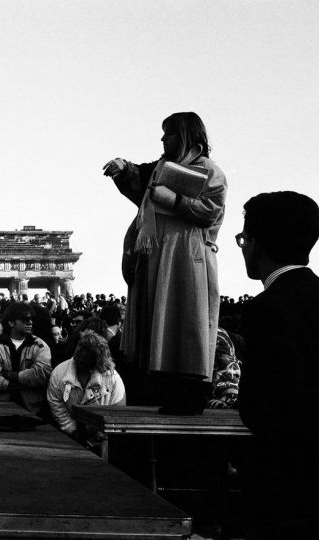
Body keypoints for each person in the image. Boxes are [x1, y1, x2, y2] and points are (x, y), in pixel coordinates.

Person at [103, 112, 227, 411]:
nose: (162, 139)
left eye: (168, 134)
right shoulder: (161, 169)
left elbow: (211, 210)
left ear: (184, 135)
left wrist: (173, 200)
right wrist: (124, 167)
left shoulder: (209, 170)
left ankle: (186, 395)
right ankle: (162, 391)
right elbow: (139, 181)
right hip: (157, 256)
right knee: (159, 325)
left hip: (187, 258)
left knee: (185, 323)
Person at [236, 191, 319, 538]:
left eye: (243, 238)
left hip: (283, 480)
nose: (242, 247)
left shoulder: (265, 309)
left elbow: (257, 407)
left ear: (256, 243)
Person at [0, 302, 52, 418]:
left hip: (33, 412)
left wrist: (7, 375)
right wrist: (22, 384)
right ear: (11, 322)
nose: (30, 322)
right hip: (2, 411)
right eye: (25, 319)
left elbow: (41, 374)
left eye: (31, 319)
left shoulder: (40, 345)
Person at [46, 330, 126, 436]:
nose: (80, 352)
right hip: (71, 435)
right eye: (80, 346)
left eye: (86, 350)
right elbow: (56, 403)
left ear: (96, 357)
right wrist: (71, 429)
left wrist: (105, 433)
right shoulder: (59, 373)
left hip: (103, 436)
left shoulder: (112, 378)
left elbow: (118, 410)